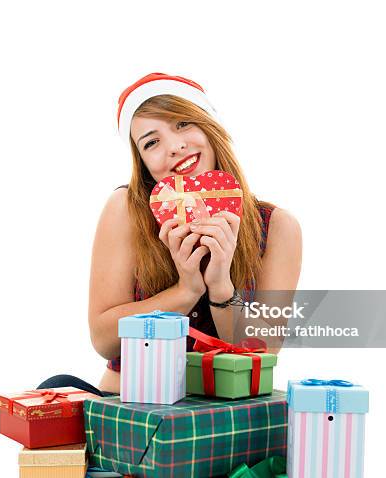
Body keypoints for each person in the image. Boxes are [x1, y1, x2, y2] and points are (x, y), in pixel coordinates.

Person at [39, 73, 301, 393]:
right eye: (152, 142)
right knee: (56, 387)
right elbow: (104, 339)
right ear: (142, 162)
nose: (175, 147)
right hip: (129, 404)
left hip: (219, 418)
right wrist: (185, 291)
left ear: (209, 127)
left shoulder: (277, 228)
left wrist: (220, 287)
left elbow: (264, 353)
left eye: (182, 124)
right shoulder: (126, 208)